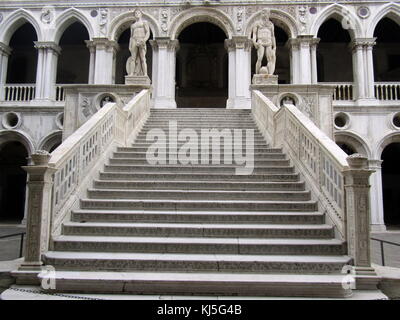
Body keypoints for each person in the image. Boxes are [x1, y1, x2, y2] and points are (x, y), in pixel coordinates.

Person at [252, 9, 276, 75]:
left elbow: (272, 36)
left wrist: (275, 46)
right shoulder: (257, 23)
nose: (265, 15)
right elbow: (254, 33)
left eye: (267, 13)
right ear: (261, 14)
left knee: (270, 59)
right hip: (260, 41)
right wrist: (254, 41)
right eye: (264, 13)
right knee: (260, 58)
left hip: (269, 42)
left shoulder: (271, 24)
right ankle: (257, 74)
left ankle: (270, 74)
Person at [127, 9, 150, 76]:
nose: (137, 14)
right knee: (133, 58)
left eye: (138, 13)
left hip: (141, 40)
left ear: (141, 14)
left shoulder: (144, 22)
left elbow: (147, 32)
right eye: (135, 13)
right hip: (134, 40)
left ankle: (145, 74)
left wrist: (144, 40)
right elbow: (131, 36)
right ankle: (131, 73)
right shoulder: (132, 25)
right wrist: (130, 45)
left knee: (143, 58)